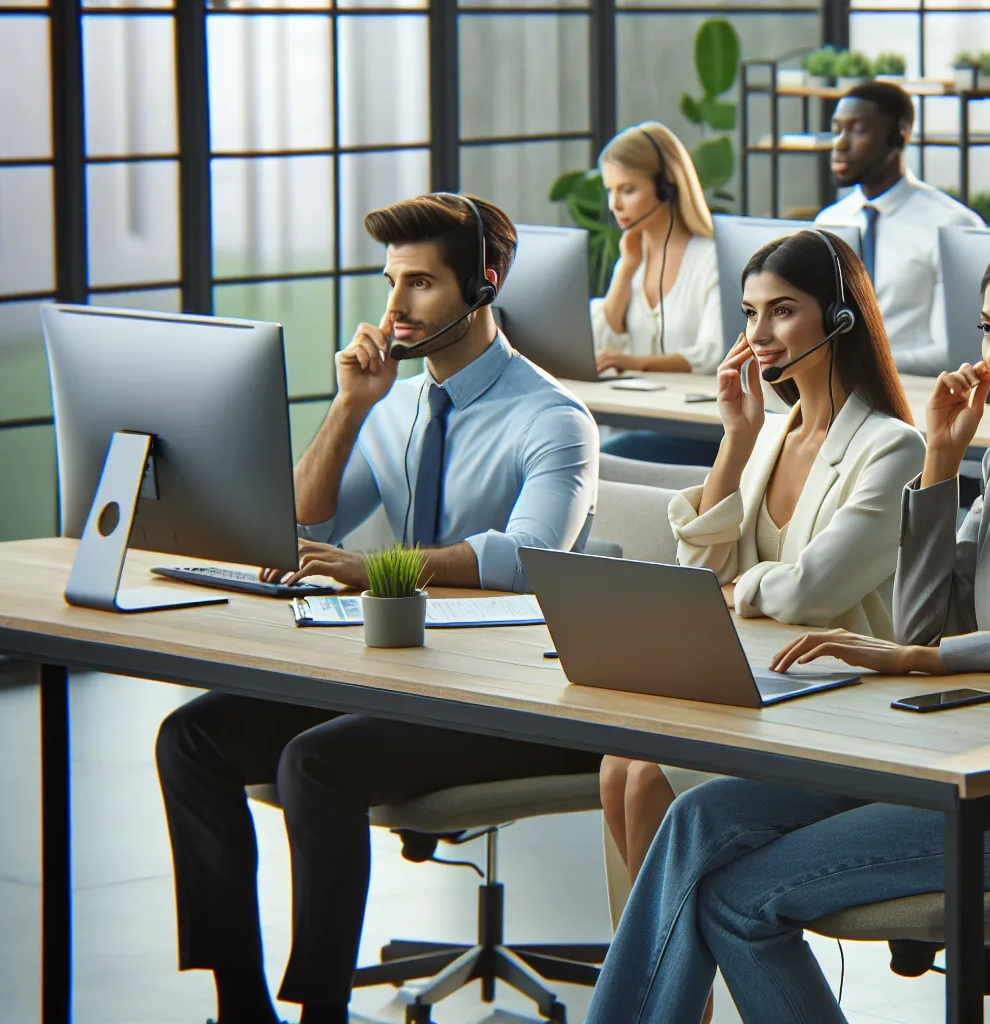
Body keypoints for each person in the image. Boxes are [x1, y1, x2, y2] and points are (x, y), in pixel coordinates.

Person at [582, 226, 990, 1024]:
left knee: (741, 898)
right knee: (696, 819)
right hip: (980, 759)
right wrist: (942, 464)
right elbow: (923, 622)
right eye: (989, 329)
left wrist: (931, 656)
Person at [156, 194, 605, 1024]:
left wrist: (377, 568)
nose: (394, 308)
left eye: (422, 285)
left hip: (505, 695)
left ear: (483, 286)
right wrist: (350, 405)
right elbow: (300, 522)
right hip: (400, 670)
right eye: (391, 282)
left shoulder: (554, 419)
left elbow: (527, 560)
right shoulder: (395, 403)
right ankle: (240, 1005)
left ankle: (321, 1009)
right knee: (192, 736)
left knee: (315, 764)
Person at [596, 230, 925, 1005]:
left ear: (840, 320)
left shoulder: (892, 448)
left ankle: (671, 1010)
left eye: (783, 311)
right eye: (749, 314)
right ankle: (676, 1003)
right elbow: (699, 572)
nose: (760, 335)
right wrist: (736, 439)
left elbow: (812, 591)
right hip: (757, 680)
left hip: (841, 698)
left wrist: (734, 588)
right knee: (619, 767)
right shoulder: (771, 432)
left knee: (650, 785)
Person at [816, 81, 984, 376]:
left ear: (899, 136)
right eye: (837, 129)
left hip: (916, 396)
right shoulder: (828, 222)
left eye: (857, 130)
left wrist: (866, 364)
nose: (840, 144)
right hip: (835, 394)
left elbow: (957, 351)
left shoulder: (950, 225)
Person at [593, 122, 726, 465]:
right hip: (636, 419)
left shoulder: (712, 258)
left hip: (697, 432)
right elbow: (604, 341)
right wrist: (625, 269)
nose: (615, 205)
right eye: (610, 191)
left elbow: (712, 354)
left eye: (627, 190)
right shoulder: (633, 258)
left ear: (667, 185)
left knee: (602, 458)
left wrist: (635, 364)